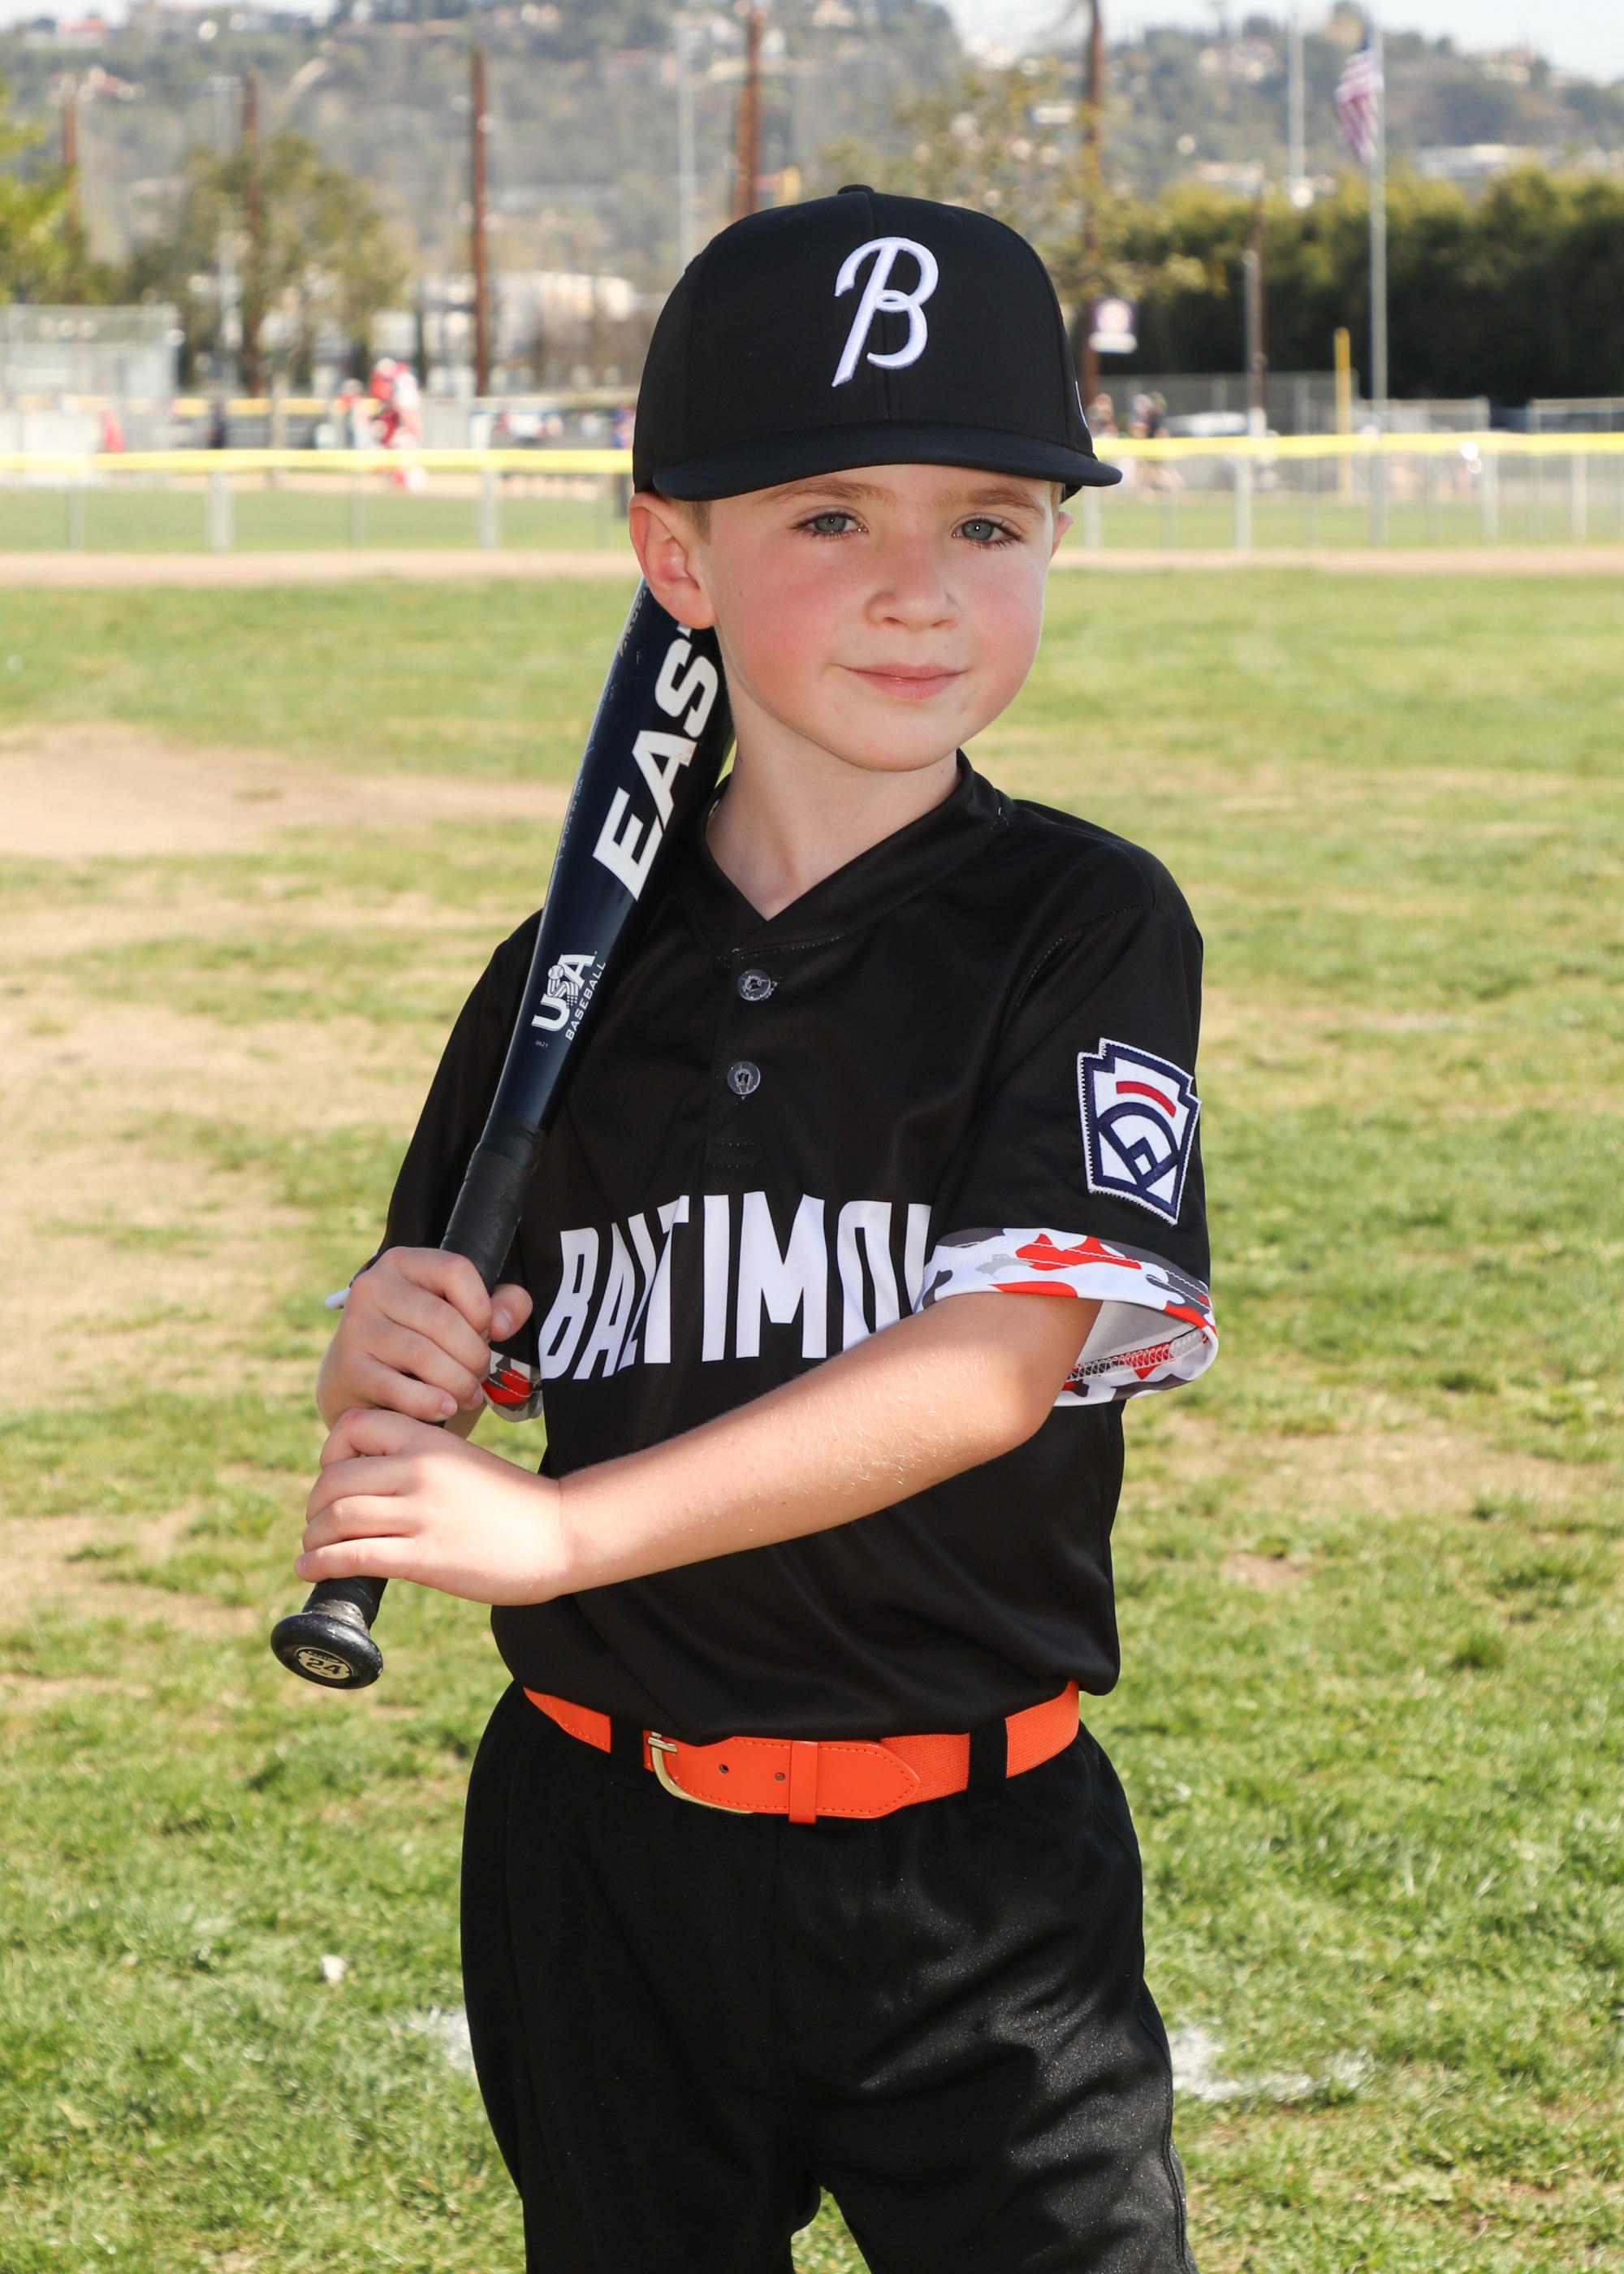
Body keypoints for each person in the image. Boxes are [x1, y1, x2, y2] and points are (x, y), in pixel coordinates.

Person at [297, 188, 1216, 2272]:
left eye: (989, 520)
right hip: (599, 1849)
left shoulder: (1077, 923)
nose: (919, 587)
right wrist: (386, 1346)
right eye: (828, 514)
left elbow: (993, 1367)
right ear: (674, 558)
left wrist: (561, 1531)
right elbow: (456, 1322)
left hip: (975, 1870)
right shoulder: (563, 970)